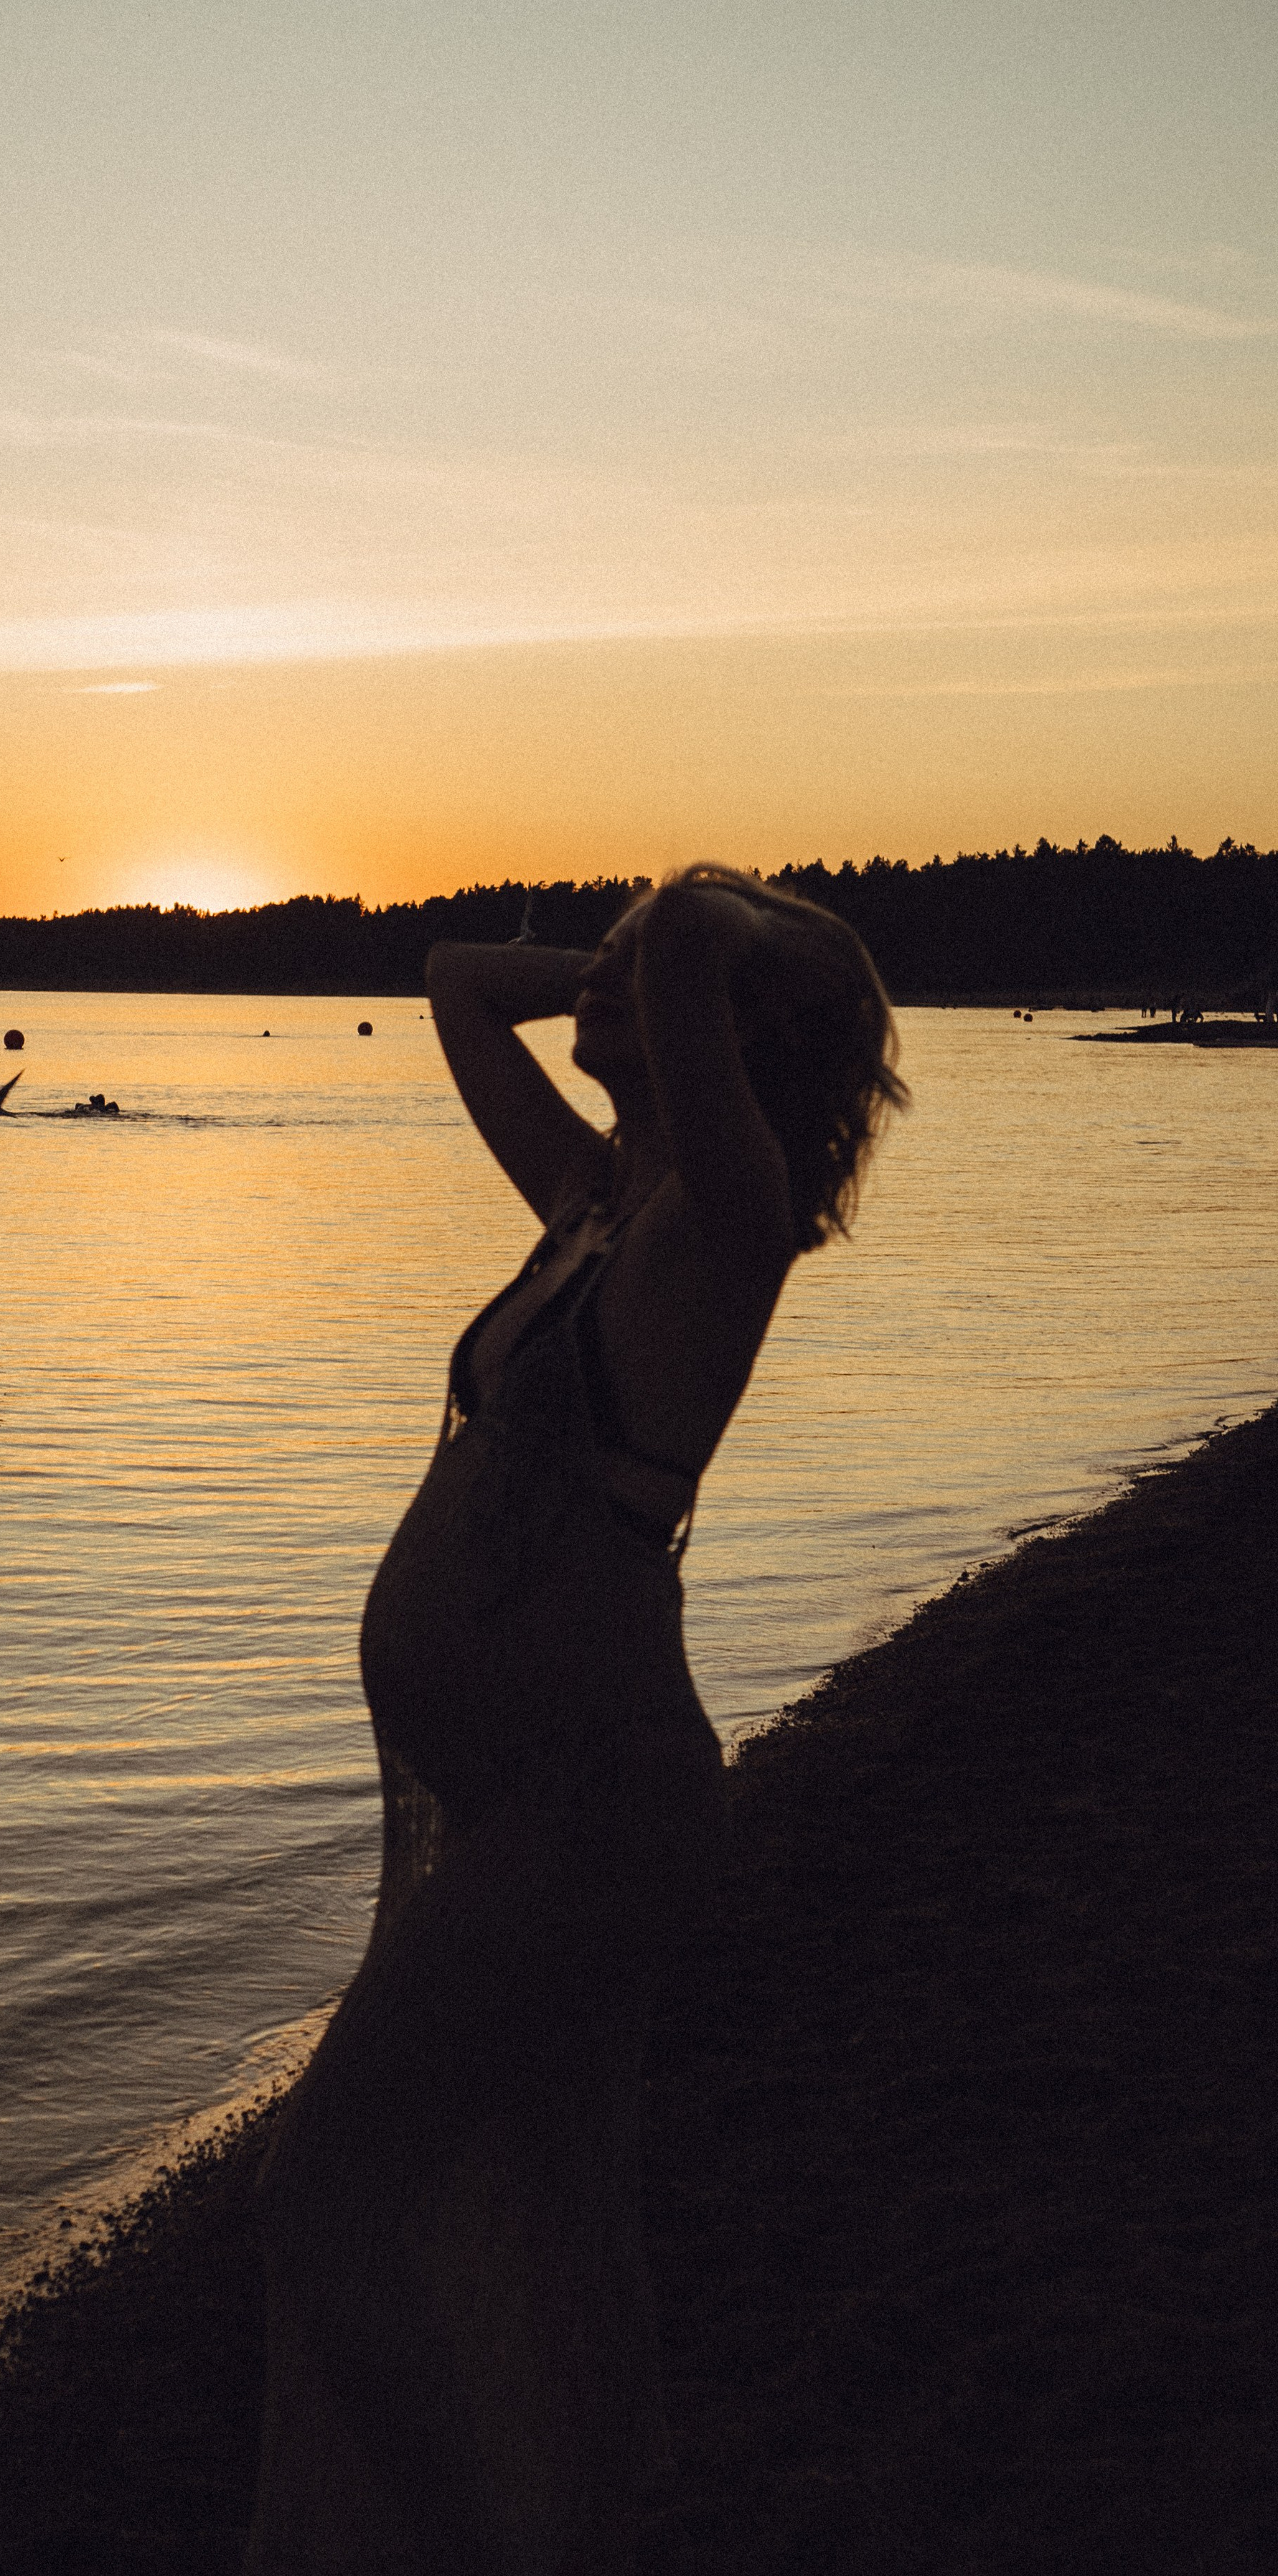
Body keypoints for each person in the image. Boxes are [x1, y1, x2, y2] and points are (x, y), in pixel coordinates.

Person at [244, 865, 907, 2575]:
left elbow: (689, 937)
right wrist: (605, 965)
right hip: (518, 1790)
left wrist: (684, 938)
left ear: (721, 1033)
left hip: (592, 1805)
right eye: (606, 970)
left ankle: (475, 2544)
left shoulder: (725, 1218)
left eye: (631, 975)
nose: (606, 985)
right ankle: (588, 2529)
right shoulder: (592, 1201)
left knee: (328, 2196)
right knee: (549, 2212)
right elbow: (455, 982)